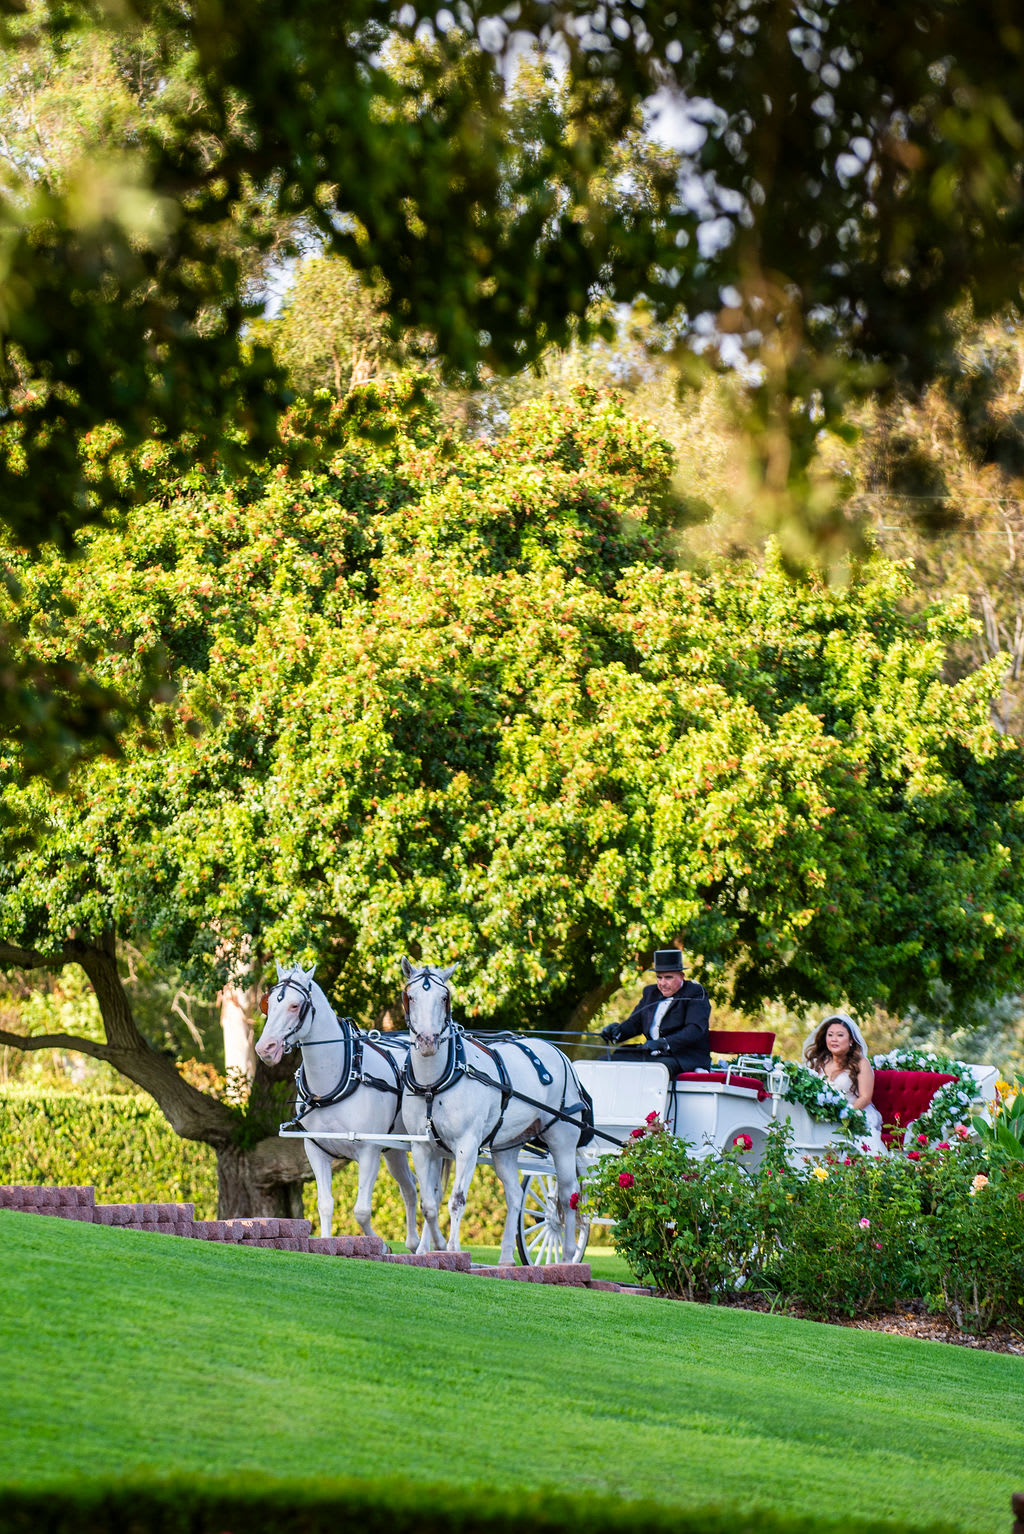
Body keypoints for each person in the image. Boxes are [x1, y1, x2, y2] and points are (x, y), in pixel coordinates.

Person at [600, 949, 711, 1072]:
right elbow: (635, 1023)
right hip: (652, 1055)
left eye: (668, 977)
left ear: (681, 976)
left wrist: (664, 1043)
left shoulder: (696, 993)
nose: (662, 983)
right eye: (659, 977)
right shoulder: (651, 993)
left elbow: (694, 1030)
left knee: (655, 1070)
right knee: (605, 1062)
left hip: (682, 1056)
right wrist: (617, 1032)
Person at [803, 1012, 885, 1151]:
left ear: (851, 1040)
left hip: (855, 1113)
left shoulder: (861, 1063)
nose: (834, 1039)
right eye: (830, 1035)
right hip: (825, 1117)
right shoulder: (819, 1063)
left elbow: (865, 1097)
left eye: (840, 1035)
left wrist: (845, 1113)